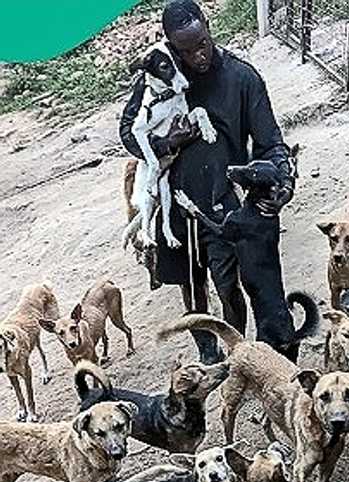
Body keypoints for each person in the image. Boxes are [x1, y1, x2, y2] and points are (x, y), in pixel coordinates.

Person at [119, 0, 295, 364]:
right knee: (191, 283)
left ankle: (255, 358)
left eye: (202, 44)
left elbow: (270, 142)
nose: (198, 56)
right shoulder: (157, 79)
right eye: (186, 51)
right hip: (179, 206)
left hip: (229, 203)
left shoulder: (241, 78)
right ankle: (211, 355)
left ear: (209, 30)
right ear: (170, 46)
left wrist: (282, 184)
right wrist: (167, 143)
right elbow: (127, 132)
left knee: (240, 286)